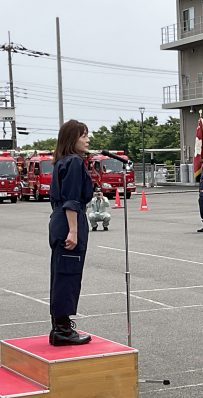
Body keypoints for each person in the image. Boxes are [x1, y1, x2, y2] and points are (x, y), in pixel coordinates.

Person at [48, 120, 93, 346]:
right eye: (83, 135)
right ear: (72, 138)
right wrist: (73, 231)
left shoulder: (61, 162)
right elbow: (72, 200)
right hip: (69, 221)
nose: (87, 139)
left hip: (58, 220)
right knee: (68, 275)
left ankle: (60, 326)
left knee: (61, 273)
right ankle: (63, 330)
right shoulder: (74, 162)